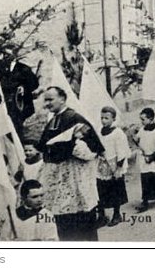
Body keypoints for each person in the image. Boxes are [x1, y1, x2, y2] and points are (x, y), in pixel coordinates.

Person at [36, 86, 103, 241]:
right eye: (45, 100)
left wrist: (71, 144)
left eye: (50, 99)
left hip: (75, 177)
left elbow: (92, 149)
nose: (47, 103)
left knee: (80, 219)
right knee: (63, 222)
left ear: (63, 99)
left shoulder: (75, 118)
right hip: (56, 178)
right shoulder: (52, 120)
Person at [96, 106, 129, 227]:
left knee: (115, 190)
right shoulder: (100, 131)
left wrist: (118, 168)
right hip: (102, 164)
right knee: (100, 189)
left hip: (114, 165)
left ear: (113, 119)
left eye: (106, 118)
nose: (103, 120)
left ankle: (117, 214)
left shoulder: (118, 133)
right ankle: (101, 215)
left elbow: (122, 151)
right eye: (102, 118)